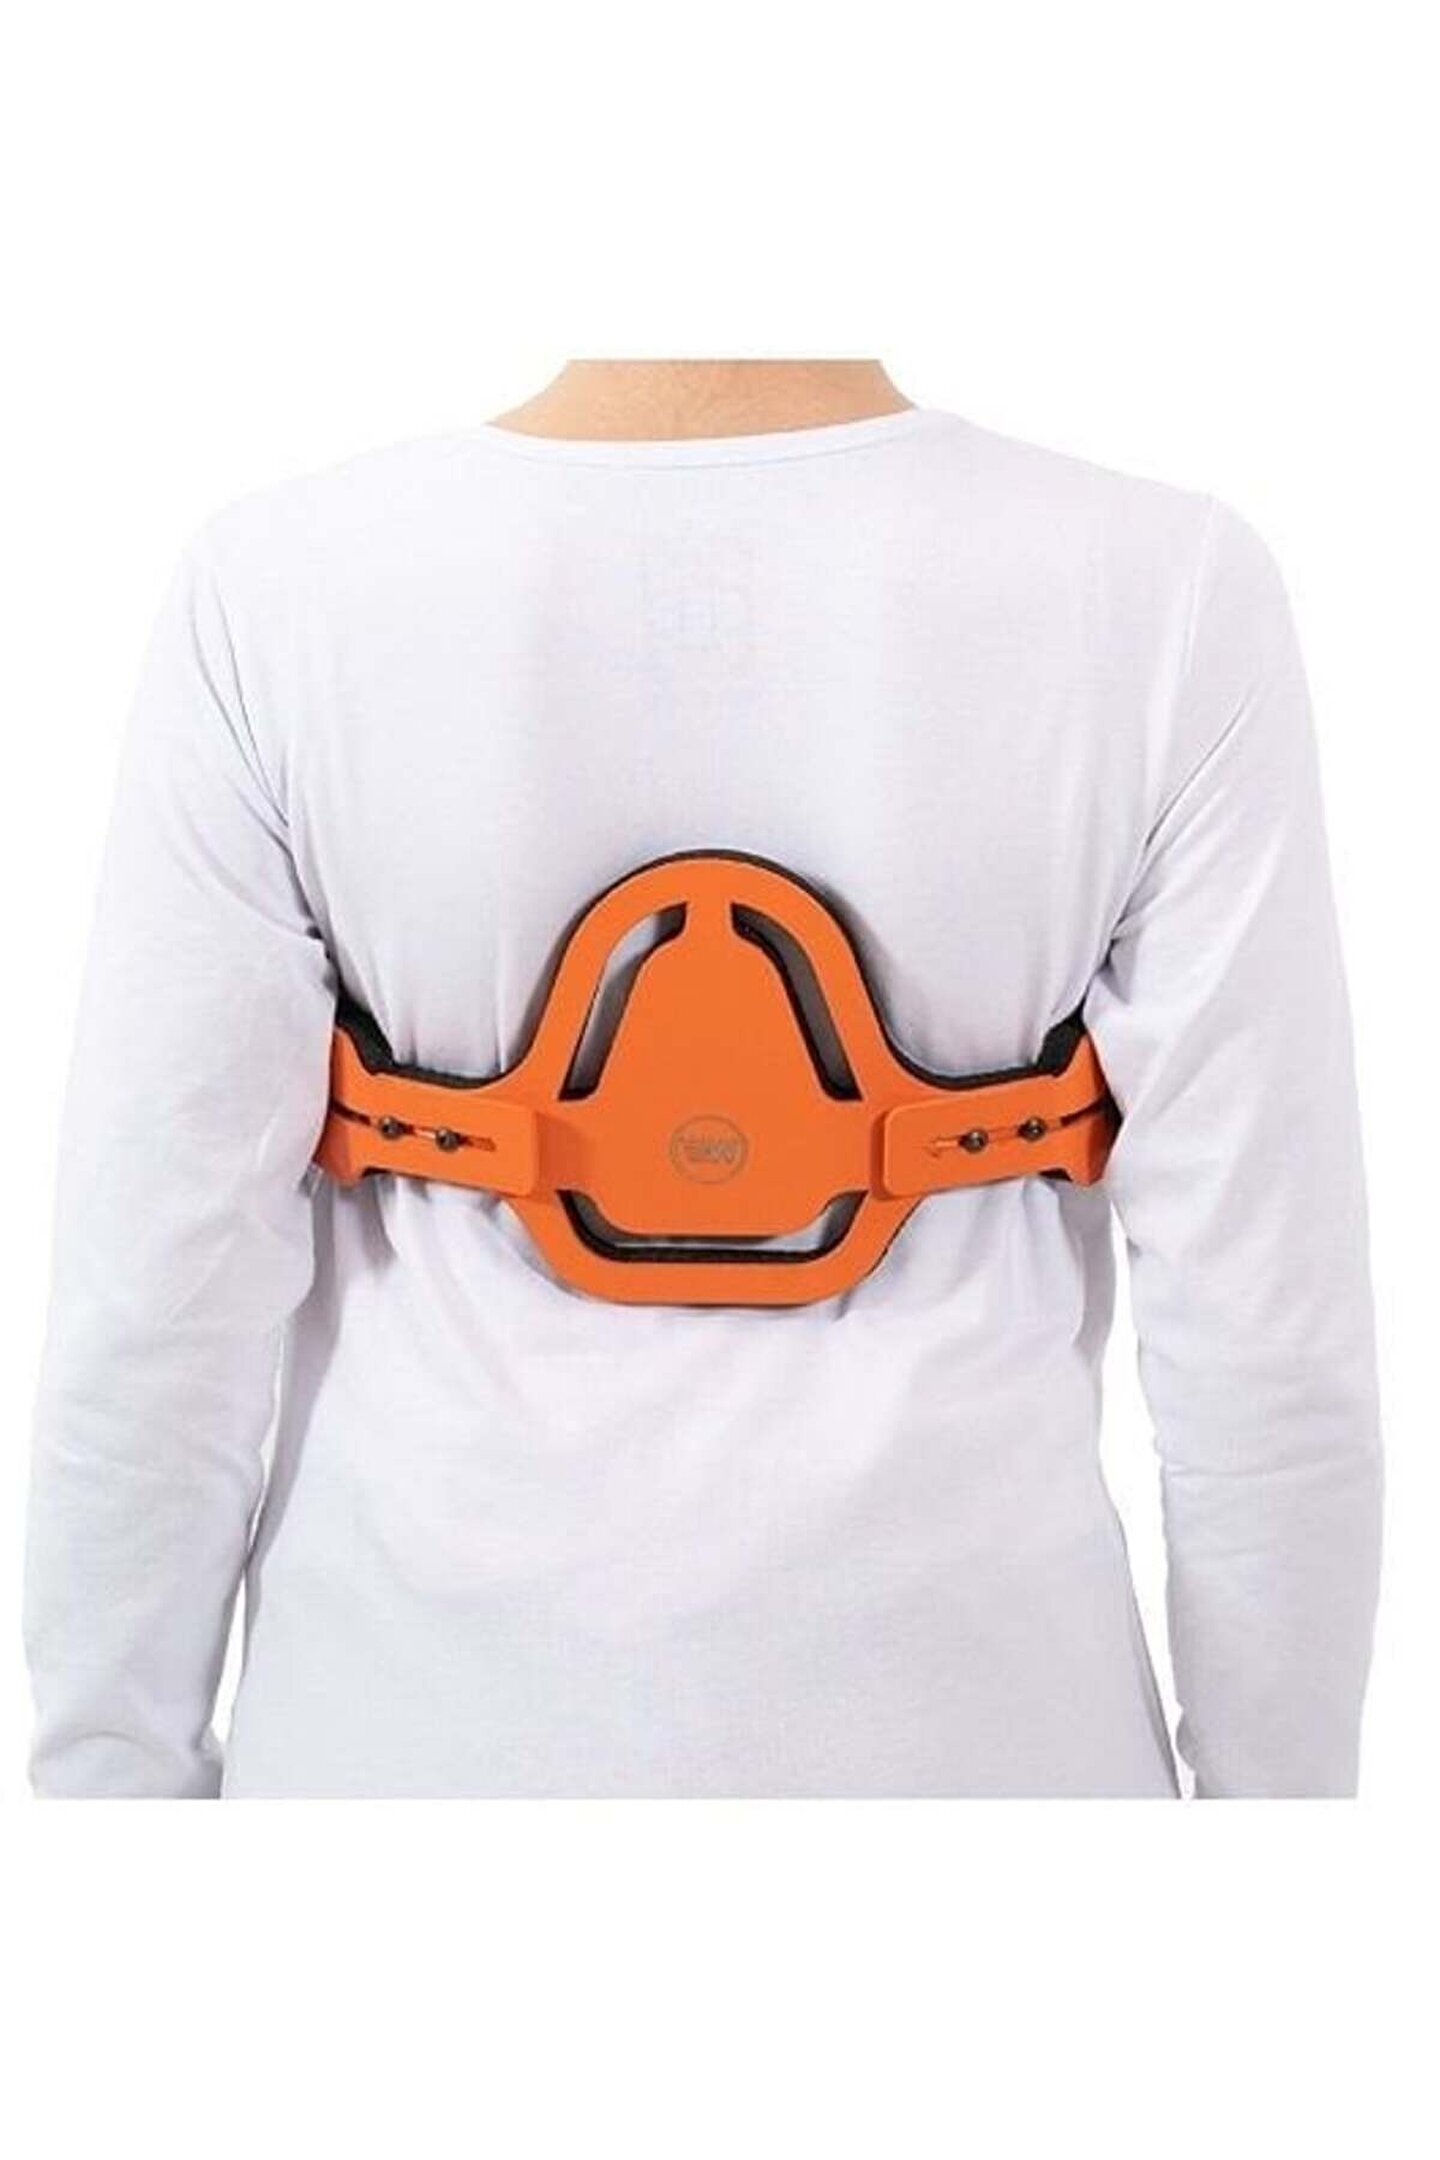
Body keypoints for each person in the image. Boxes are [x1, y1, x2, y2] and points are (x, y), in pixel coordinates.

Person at [23, 360, 1383, 1798]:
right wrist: (1281, 1823)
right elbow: (1267, 1326)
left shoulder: (278, 591)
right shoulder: (1164, 587)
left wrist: (109, 1803)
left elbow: (156, 1289)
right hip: (987, 1734)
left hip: (397, 1739)